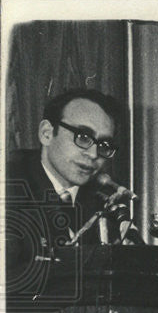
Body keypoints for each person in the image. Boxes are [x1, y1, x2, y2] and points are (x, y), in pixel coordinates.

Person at [4, 88, 132, 288]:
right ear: (46, 133)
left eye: (104, 145)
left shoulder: (104, 199)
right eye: (82, 137)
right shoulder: (9, 185)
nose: (93, 154)